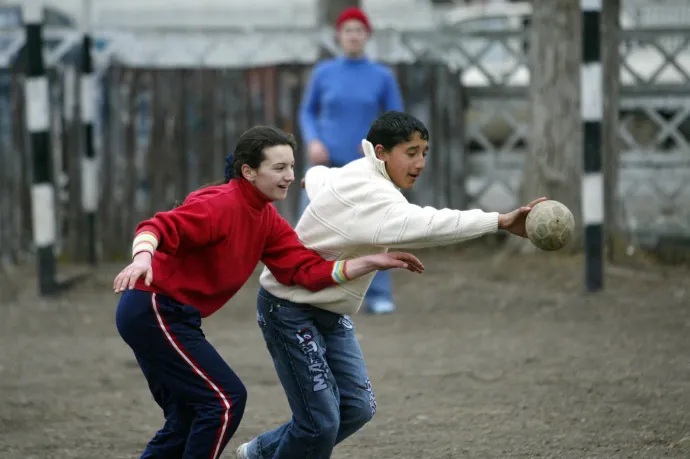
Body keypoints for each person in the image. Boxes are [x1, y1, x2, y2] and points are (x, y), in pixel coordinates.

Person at [236, 112, 546, 459]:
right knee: (320, 423)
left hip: (329, 311)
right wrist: (499, 220)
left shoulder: (358, 172)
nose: (420, 162)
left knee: (357, 408)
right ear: (381, 152)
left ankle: (260, 453)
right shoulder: (375, 195)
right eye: (411, 152)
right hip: (289, 310)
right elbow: (428, 224)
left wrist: (312, 179)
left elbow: (325, 176)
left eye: (425, 152)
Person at [112, 125, 425, 459]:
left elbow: (306, 271)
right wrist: (142, 256)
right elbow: (156, 226)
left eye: (291, 166)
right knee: (224, 403)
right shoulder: (222, 203)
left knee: (187, 415)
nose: (290, 176)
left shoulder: (266, 220)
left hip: (169, 316)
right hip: (155, 307)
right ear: (248, 171)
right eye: (278, 168)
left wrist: (372, 261)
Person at [298, 6, 404, 315]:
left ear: (367, 37)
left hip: (367, 166)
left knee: (375, 227)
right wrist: (313, 140)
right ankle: (305, 286)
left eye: (360, 31)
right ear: (338, 37)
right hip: (325, 165)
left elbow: (396, 117)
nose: (354, 36)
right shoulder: (323, 73)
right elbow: (307, 112)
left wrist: (376, 142)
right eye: (348, 31)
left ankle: (378, 294)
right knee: (311, 225)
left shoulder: (382, 76)